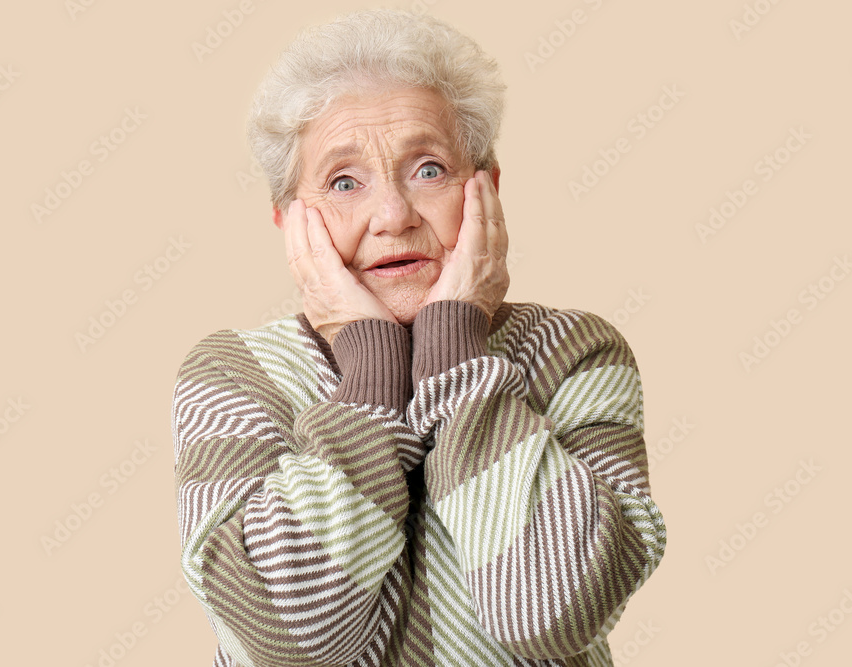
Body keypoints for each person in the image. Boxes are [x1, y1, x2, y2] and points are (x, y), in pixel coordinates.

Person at [171, 9, 666, 666]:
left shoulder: (575, 352)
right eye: (345, 181)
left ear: (484, 188)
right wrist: (370, 372)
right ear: (288, 221)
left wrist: (457, 352)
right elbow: (293, 635)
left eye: (427, 168)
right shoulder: (233, 372)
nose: (393, 215)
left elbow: (551, 612)